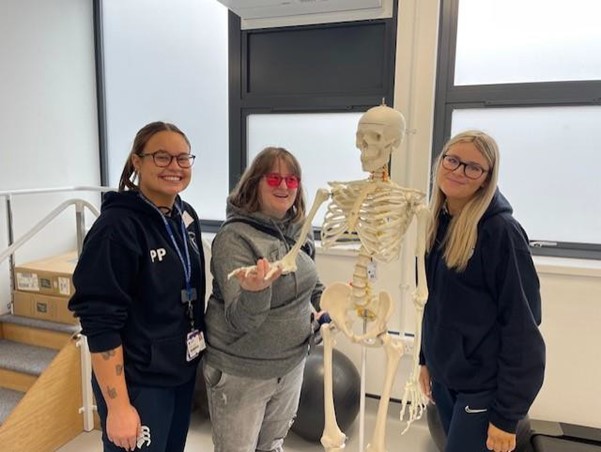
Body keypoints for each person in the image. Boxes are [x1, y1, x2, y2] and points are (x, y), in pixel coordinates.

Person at [69, 121, 206, 452]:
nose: (174, 166)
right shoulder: (116, 229)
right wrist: (118, 407)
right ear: (137, 162)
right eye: (161, 157)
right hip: (139, 382)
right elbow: (100, 320)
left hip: (180, 371)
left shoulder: (185, 217)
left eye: (183, 158)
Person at [418, 130, 545, 452]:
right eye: (453, 160)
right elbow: (437, 304)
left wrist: (507, 415)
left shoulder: (502, 233)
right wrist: (426, 358)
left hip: (483, 388)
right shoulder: (441, 223)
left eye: (473, 167)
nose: (459, 171)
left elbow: (524, 329)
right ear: (440, 163)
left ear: (486, 179)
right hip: (448, 379)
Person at [203, 146, 325, 452]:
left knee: (271, 446)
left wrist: (326, 305)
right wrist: (256, 292)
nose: (284, 186)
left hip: (292, 363)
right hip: (243, 371)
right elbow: (241, 319)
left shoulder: (298, 230)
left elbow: (311, 282)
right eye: (273, 179)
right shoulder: (234, 238)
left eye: (292, 180)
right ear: (254, 183)